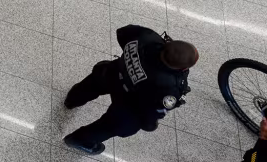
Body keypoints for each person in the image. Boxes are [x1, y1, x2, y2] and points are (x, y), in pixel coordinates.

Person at [63, 25, 197, 155]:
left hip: (113, 73)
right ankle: (79, 140)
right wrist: (149, 125)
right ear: (182, 69)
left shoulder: (147, 37)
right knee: (116, 125)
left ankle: (72, 99)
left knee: (91, 84)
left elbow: (122, 33)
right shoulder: (171, 87)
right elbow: (153, 112)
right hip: (130, 104)